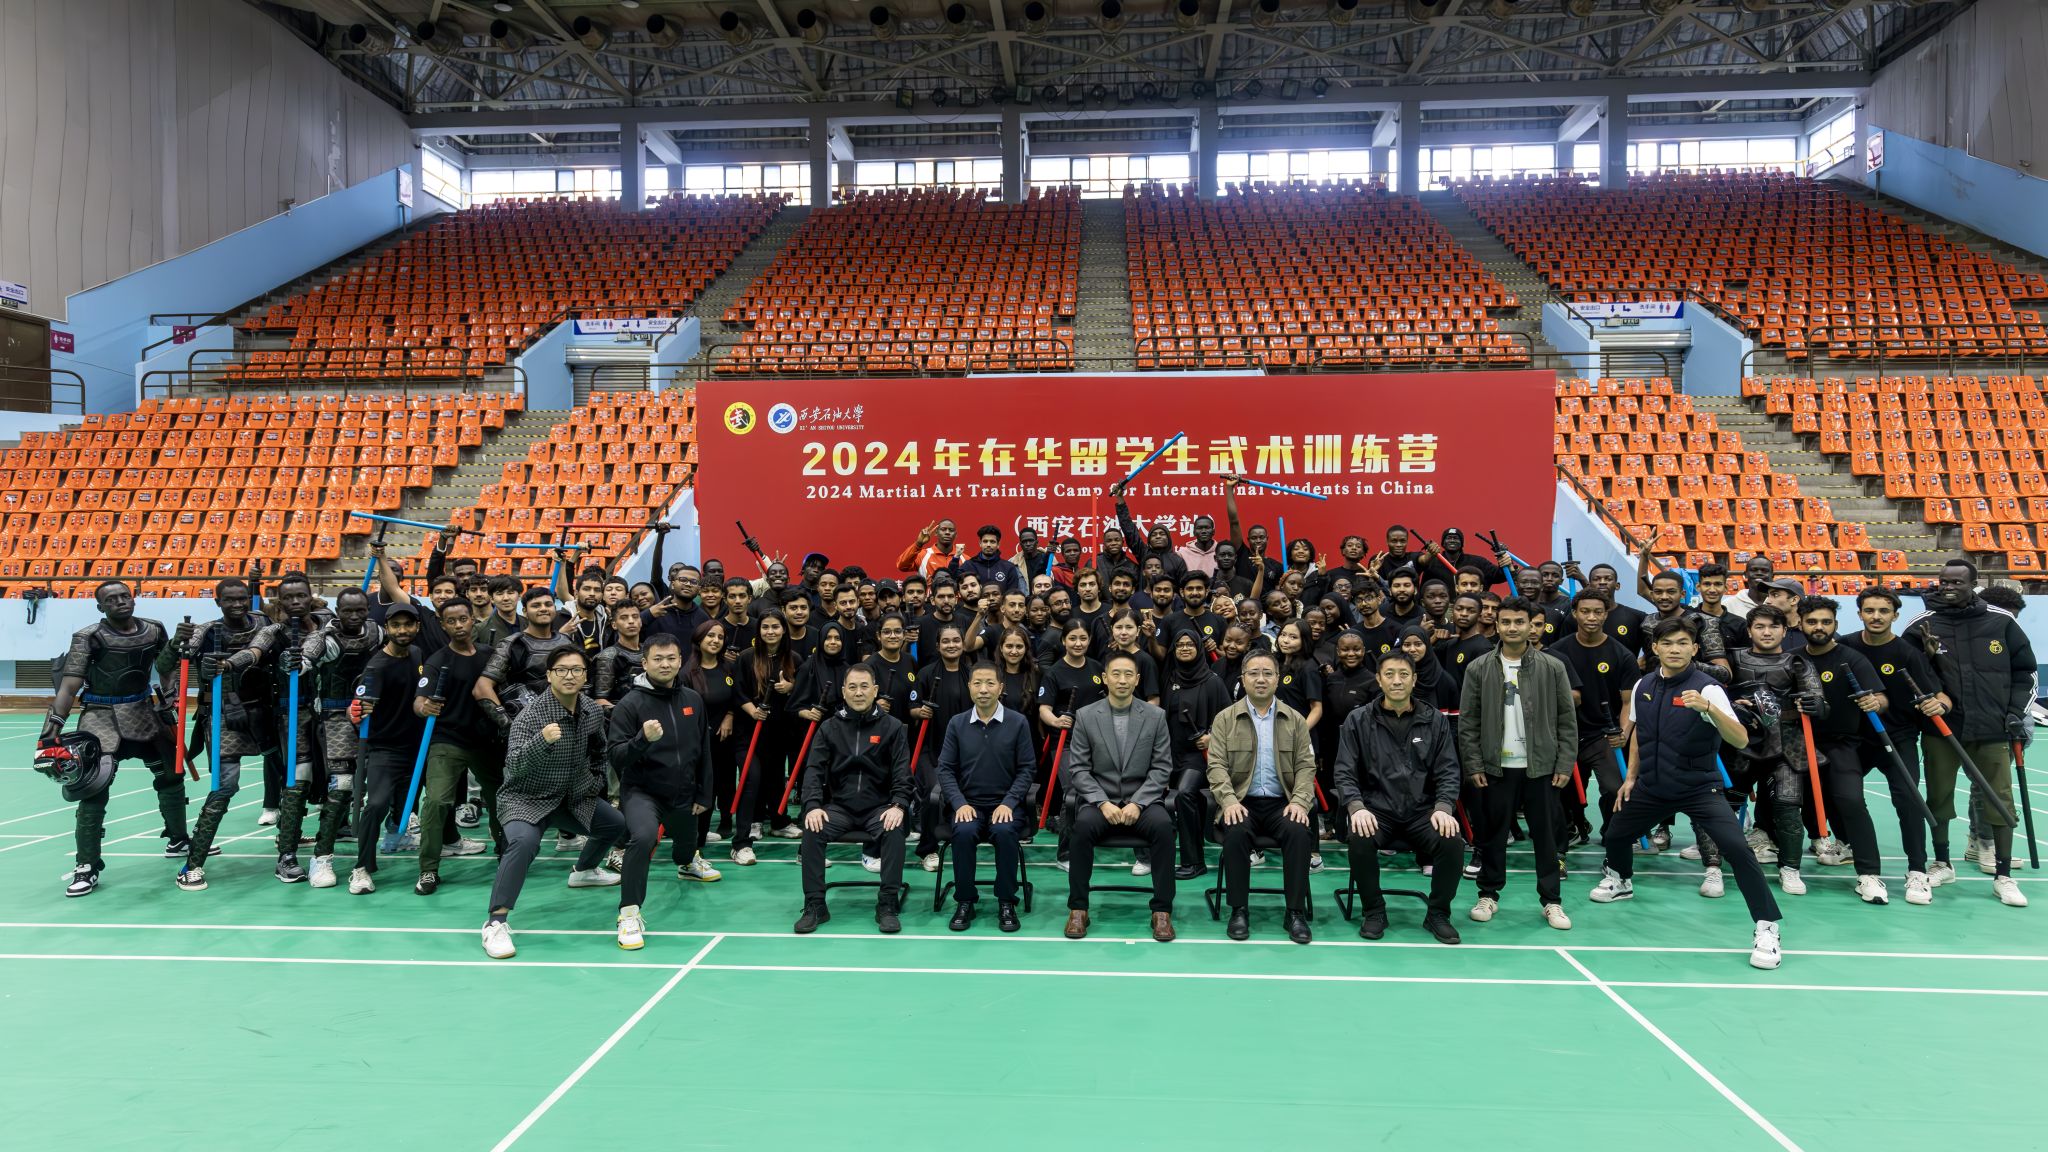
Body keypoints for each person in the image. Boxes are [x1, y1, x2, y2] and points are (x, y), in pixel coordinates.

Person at [1588, 616, 1785, 970]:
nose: (1675, 650)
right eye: (1667, 643)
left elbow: (1740, 738)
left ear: (1694, 649)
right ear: (1655, 648)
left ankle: (1767, 927)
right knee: (1615, 834)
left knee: (1738, 851)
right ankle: (1621, 881)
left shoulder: (1708, 689)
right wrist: (1630, 778)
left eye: (1682, 643)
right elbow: (1639, 735)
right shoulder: (1643, 685)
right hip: (1652, 786)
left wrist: (1709, 710)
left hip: (1699, 788)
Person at [39, 581, 188, 898]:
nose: (121, 601)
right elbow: (69, 685)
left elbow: (166, 666)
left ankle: (178, 839)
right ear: (100, 607)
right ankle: (87, 866)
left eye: (125, 596)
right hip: (100, 717)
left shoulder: (154, 629)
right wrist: (52, 728)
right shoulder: (88, 636)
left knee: (171, 776)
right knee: (93, 791)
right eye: (112, 599)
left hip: (144, 712)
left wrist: (171, 694)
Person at [479, 647, 627, 960]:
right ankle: (495, 923)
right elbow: (514, 765)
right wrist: (542, 741)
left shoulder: (591, 710)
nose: (569, 676)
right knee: (522, 843)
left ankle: (584, 870)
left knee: (615, 824)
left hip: (571, 797)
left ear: (585, 676)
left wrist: (595, 782)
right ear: (549, 675)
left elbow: (600, 751)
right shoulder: (531, 716)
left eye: (576, 670)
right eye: (561, 670)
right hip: (526, 799)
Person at [1904, 559, 2034, 907]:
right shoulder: (1922, 625)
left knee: (2000, 801)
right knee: (1938, 797)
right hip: (1942, 730)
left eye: (1957, 582)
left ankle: (2003, 876)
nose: (1948, 587)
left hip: (1993, 729)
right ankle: (1942, 863)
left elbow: (2026, 672)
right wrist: (1929, 686)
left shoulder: (2001, 621)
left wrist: (2014, 713)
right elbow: (1908, 674)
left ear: (1973, 584)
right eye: (1944, 581)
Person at [1459, 597, 1577, 931]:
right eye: (1506, 622)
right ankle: (1488, 895)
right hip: (1495, 768)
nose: (1513, 628)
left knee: (1546, 837)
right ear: (1497, 625)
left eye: (1519, 622)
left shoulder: (1552, 667)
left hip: (1541, 768)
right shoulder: (1478, 668)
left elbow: (1567, 720)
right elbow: (1468, 722)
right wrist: (1474, 764)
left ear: (1531, 626)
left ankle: (1551, 901)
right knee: (1492, 836)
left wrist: (1564, 763)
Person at [1332, 650, 1465, 944]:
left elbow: (1449, 770)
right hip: (1376, 810)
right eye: (1389, 674)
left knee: (1452, 841)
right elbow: (1344, 771)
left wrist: (1443, 807)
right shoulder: (1358, 719)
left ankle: (1438, 914)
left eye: (1404, 674)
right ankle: (1374, 911)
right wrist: (1356, 807)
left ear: (1414, 680)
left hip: (1422, 812)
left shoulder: (1434, 720)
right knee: (1360, 836)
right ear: (1379, 680)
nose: (1396, 681)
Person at [605, 634, 715, 950]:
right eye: (657, 658)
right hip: (643, 792)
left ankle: (687, 864)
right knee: (643, 838)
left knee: (686, 848)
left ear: (680, 661)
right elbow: (616, 757)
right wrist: (643, 739)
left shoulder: (693, 700)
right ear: (645, 663)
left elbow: (704, 750)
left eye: (671, 658)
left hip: (684, 792)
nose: (665, 664)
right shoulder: (629, 704)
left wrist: (704, 794)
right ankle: (628, 913)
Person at [1061, 651, 1178, 942]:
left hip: (1143, 801)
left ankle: (1162, 910)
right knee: (1081, 828)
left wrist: (1138, 802)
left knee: (1164, 827)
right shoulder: (1086, 716)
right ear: (1105, 678)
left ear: (1137, 679)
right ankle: (1078, 908)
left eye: (1128, 674)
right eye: (1116, 674)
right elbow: (1078, 769)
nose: (1122, 680)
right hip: (1101, 801)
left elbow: (1162, 767)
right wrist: (1102, 802)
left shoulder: (1155, 716)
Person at [1841, 586, 1948, 903]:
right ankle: (1848, 848)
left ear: (1895, 616)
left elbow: (1938, 694)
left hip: (1898, 738)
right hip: (1855, 739)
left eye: (1883, 611)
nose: (1876, 616)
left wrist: (1940, 705)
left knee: (1909, 801)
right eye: (1869, 610)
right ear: (1859, 613)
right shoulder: (1846, 647)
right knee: (1843, 796)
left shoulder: (1907, 653)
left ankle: (1917, 871)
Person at [1205, 650, 1319, 943]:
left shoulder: (1295, 719)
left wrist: (1300, 801)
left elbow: (1306, 766)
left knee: (1298, 832)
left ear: (1277, 679)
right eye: (1253, 673)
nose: (1260, 679)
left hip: (1283, 802)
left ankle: (1294, 912)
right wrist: (1228, 801)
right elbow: (1216, 766)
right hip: (1242, 801)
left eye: (1267, 673)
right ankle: (1239, 910)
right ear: (1243, 679)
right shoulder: (1225, 719)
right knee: (1235, 831)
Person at [793, 665, 914, 934]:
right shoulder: (829, 728)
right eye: (852, 687)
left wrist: (898, 805)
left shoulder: (893, 727)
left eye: (864, 686)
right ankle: (815, 904)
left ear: (875, 690)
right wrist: (812, 806)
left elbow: (902, 773)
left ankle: (887, 904)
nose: (858, 693)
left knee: (894, 827)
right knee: (812, 828)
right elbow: (813, 770)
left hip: (879, 809)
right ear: (844, 691)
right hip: (840, 809)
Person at [171, 578, 272, 891]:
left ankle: (288, 851)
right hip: (222, 716)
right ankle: (193, 863)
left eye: (242, 598)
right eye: (230, 599)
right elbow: (170, 662)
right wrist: (175, 644)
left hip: (267, 713)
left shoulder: (263, 623)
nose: (237, 604)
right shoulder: (205, 631)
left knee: (290, 778)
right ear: (218, 602)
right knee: (225, 785)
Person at [1793, 596, 1892, 905]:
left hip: (1841, 744)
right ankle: (1786, 866)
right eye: (1812, 622)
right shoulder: (1792, 659)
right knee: (1786, 801)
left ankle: (1869, 874)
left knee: (1850, 800)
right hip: (1798, 743)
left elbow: (1880, 698)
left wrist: (1875, 702)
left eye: (1826, 622)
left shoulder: (1851, 659)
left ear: (1835, 624)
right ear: (1800, 624)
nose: (1819, 627)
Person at [289, 586, 384, 889]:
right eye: (347, 610)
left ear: (367, 610)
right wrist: (295, 663)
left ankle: (387, 842)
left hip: (373, 715)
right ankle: (321, 856)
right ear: (337, 611)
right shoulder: (324, 639)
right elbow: (306, 659)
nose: (354, 616)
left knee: (380, 787)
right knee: (342, 787)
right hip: (335, 719)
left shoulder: (378, 632)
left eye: (360, 610)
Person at [1728, 604, 1824, 891]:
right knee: (1722, 804)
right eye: (1760, 626)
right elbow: (1712, 687)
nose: (1767, 632)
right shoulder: (1732, 659)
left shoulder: (1798, 663)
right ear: (1749, 631)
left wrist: (1816, 704)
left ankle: (1791, 869)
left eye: (1773, 626)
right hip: (1740, 743)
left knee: (1788, 806)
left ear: (1784, 630)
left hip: (1787, 745)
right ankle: (1713, 863)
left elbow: (1819, 700)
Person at [937, 663, 1036, 932]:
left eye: (990, 683)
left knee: (1004, 832)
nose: (983, 689)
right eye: (977, 683)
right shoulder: (957, 724)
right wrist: (959, 803)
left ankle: (1006, 901)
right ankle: (965, 900)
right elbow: (945, 769)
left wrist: (1009, 802)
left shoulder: (1018, 722)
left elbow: (1027, 769)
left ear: (1000, 688)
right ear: (969, 687)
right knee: (964, 831)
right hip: (968, 805)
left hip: (1005, 805)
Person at [414, 598, 498, 895]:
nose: (459, 625)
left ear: (473, 619)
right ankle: (428, 869)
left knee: (501, 798)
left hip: (486, 741)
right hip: (448, 740)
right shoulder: (437, 661)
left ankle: (506, 852)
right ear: (442, 625)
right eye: (451, 621)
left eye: (463, 618)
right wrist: (424, 708)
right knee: (437, 802)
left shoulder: (490, 655)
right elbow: (419, 701)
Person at [342, 604, 426, 895]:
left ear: (417, 627)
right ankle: (362, 868)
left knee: (410, 804)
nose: (403, 630)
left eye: (408, 624)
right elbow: (359, 705)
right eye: (396, 625)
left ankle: (398, 838)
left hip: (417, 746)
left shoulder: (416, 654)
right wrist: (355, 711)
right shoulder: (376, 667)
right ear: (386, 628)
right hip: (386, 748)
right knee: (376, 804)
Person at [1550, 591, 1636, 845]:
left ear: (1606, 614)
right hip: (1566, 734)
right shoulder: (1557, 652)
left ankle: (1612, 832)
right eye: (1585, 611)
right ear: (1574, 613)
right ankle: (1576, 826)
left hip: (1603, 735)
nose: (1591, 617)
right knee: (1562, 790)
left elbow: (1628, 702)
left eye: (1598, 612)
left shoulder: (1622, 655)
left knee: (1613, 788)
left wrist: (1623, 733)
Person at [1163, 629, 1231, 879]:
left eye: (1190, 644)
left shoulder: (1213, 681)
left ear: (1199, 648)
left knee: (1185, 793)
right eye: (1179, 644)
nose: (1184, 648)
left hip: (1201, 757)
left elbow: (1229, 720)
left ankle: (1194, 862)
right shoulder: (1170, 678)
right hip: (1172, 754)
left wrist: (1212, 736)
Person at [682, 620, 736, 880]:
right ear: (699, 639)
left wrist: (730, 715)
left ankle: (721, 824)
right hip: (697, 744)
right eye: (710, 636)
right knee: (701, 794)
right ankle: (693, 850)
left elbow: (737, 696)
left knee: (722, 786)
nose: (715, 640)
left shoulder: (729, 667)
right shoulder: (687, 673)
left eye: (720, 636)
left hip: (724, 740)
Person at [591, 601, 647, 705]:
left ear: (641, 621)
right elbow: (600, 700)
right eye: (624, 618)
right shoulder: (608, 657)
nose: (631, 621)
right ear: (614, 625)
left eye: (635, 617)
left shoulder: (649, 651)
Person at [898, 518, 966, 581]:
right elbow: (902, 566)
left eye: (951, 530)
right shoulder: (923, 555)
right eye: (943, 529)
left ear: (956, 534)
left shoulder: (964, 559)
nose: (947, 532)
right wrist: (918, 544)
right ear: (936, 532)